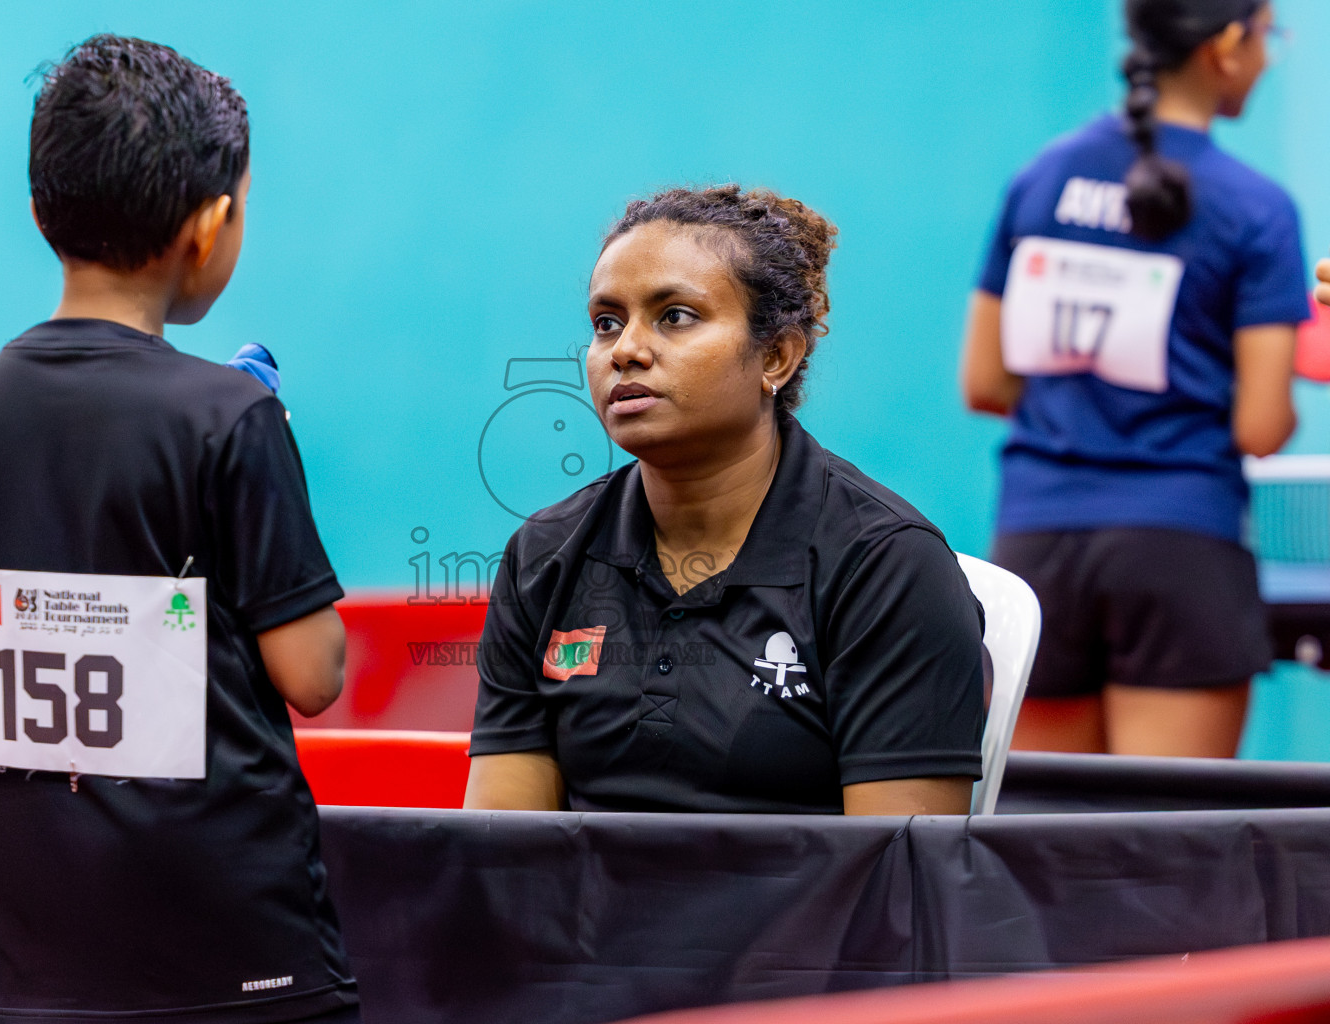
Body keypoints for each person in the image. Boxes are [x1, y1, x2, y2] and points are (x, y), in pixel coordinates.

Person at [0, 36, 359, 1024]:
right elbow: (314, 675)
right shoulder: (233, 415)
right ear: (212, 225)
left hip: (27, 973)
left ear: (39, 215)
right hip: (238, 971)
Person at [464, 185, 986, 815]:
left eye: (675, 316)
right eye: (606, 322)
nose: (626, 350)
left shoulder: (886, 566)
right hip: (586, 917)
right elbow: (501, 859)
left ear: (777, 355)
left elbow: (898, 884)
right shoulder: (544, 554)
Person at [960, 0, 1306, 757]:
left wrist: (1088, 406)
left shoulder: (1041, 179)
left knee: (1045, 855)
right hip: (1181, 547)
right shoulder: (1259, 209)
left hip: (1036, 552)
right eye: (1269, 35)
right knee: (1170, 853)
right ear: (1225, 45)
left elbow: (985, 380)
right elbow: (1260, 427)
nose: (1272, 56)